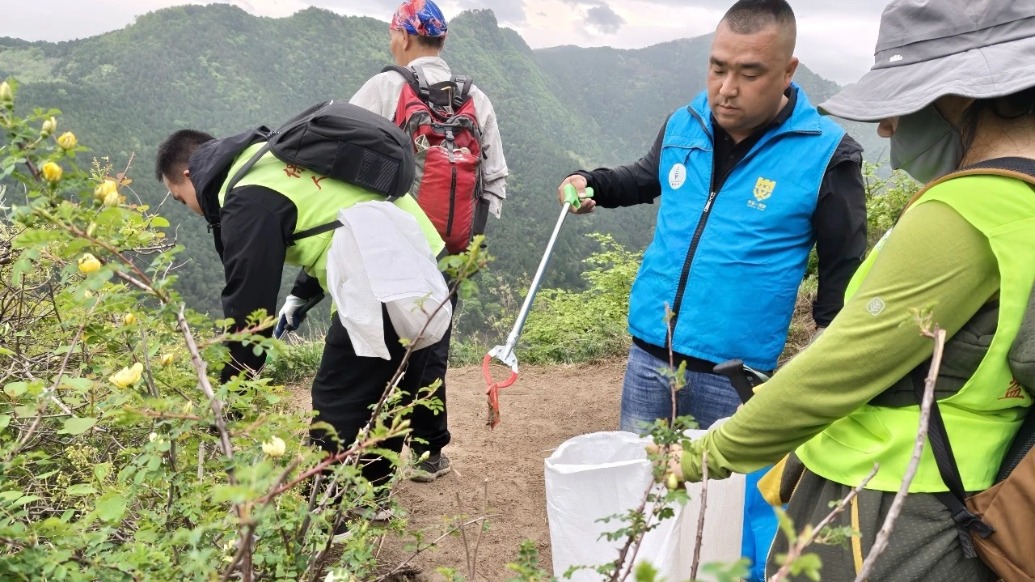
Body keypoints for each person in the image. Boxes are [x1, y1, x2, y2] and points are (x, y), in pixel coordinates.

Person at [667, 0, 1035, 579]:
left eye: (904, 102)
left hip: (884, 499)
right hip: (971, 494)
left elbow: (842, 367)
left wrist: (704, 453)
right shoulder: (1024, 199)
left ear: (961, 97)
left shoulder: (968, 209)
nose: (887, 126)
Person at [556, 0, 865, 578]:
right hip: (650, 358)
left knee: (725, 521)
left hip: (736, 378)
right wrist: (591, 181)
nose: (727, 89)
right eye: (718, 68)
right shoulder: (686, 123)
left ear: (788, 71)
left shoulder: (828, 152)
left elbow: (843, 276)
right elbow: (643, 177)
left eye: (749, 74)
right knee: (643, 499)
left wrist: (825, 375)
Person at [155, 118, 446, 515]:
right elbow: (327, 213)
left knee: (338, 395)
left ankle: (329, 513)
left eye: (179, 198)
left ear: (190, 175)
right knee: (385, 381)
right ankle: (370, 499)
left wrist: (230, 397)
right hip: (418, 249)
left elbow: (248, 311)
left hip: (385, 267)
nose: (189, 208)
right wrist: (301, 294)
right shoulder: (265, 159)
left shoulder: (244, 197)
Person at [280, 0, 509, 483]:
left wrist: (306, 283)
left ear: (403, 36)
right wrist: (465, 246)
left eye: (392, 34)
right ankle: (429, 452)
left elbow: (340, 174)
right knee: (430, 342)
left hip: (387, 250)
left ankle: (364, 468)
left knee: (370, 348)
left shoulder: (385, 89)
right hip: (452, 248)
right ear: (442, 40)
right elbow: (494, 181)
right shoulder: (477, 100)